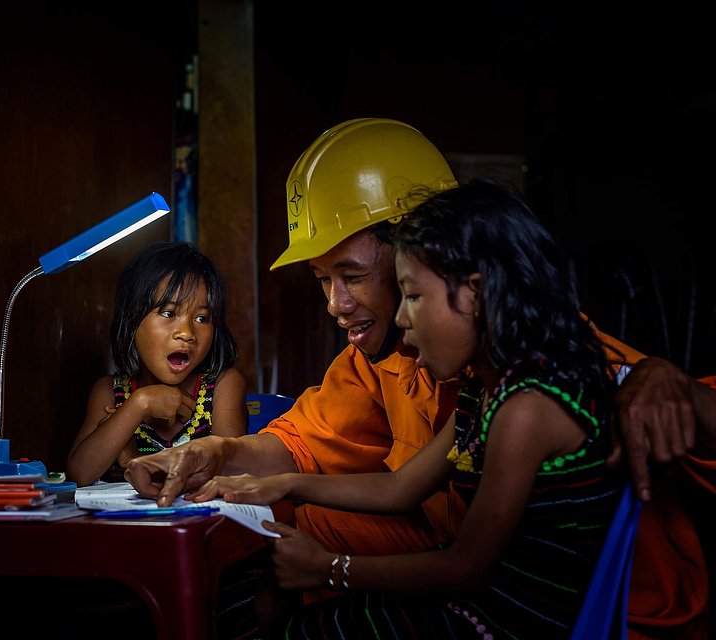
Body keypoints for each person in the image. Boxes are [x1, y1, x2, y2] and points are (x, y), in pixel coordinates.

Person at [124, 119, 716, 637]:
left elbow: (470, 563)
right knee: (284, 522)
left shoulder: (543, 366)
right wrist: (219, 453)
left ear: (426, 253)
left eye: (352, 276)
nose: (335, 304)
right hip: (466, 565)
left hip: (599, 607)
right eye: (321, 280)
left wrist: (667, 380)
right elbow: (322, 454)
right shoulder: (399, 364)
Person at [191, 178, 626, 637]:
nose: (402, 317)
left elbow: (467, 568)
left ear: (476, 294)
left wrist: (332, 569)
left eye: (414, 297)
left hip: (504, 623)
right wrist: (281, 484)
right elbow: (401, 487)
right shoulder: (489, 391)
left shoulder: (527, 408)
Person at [66, 240, 247, 486]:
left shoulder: (223, 386)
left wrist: (132, 460)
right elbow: (80, 475)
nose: (186, 333)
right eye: (169, 313)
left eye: (202, 318)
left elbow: (229, 474)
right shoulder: (110, 393)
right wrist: (140, 403)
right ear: (132, 321)